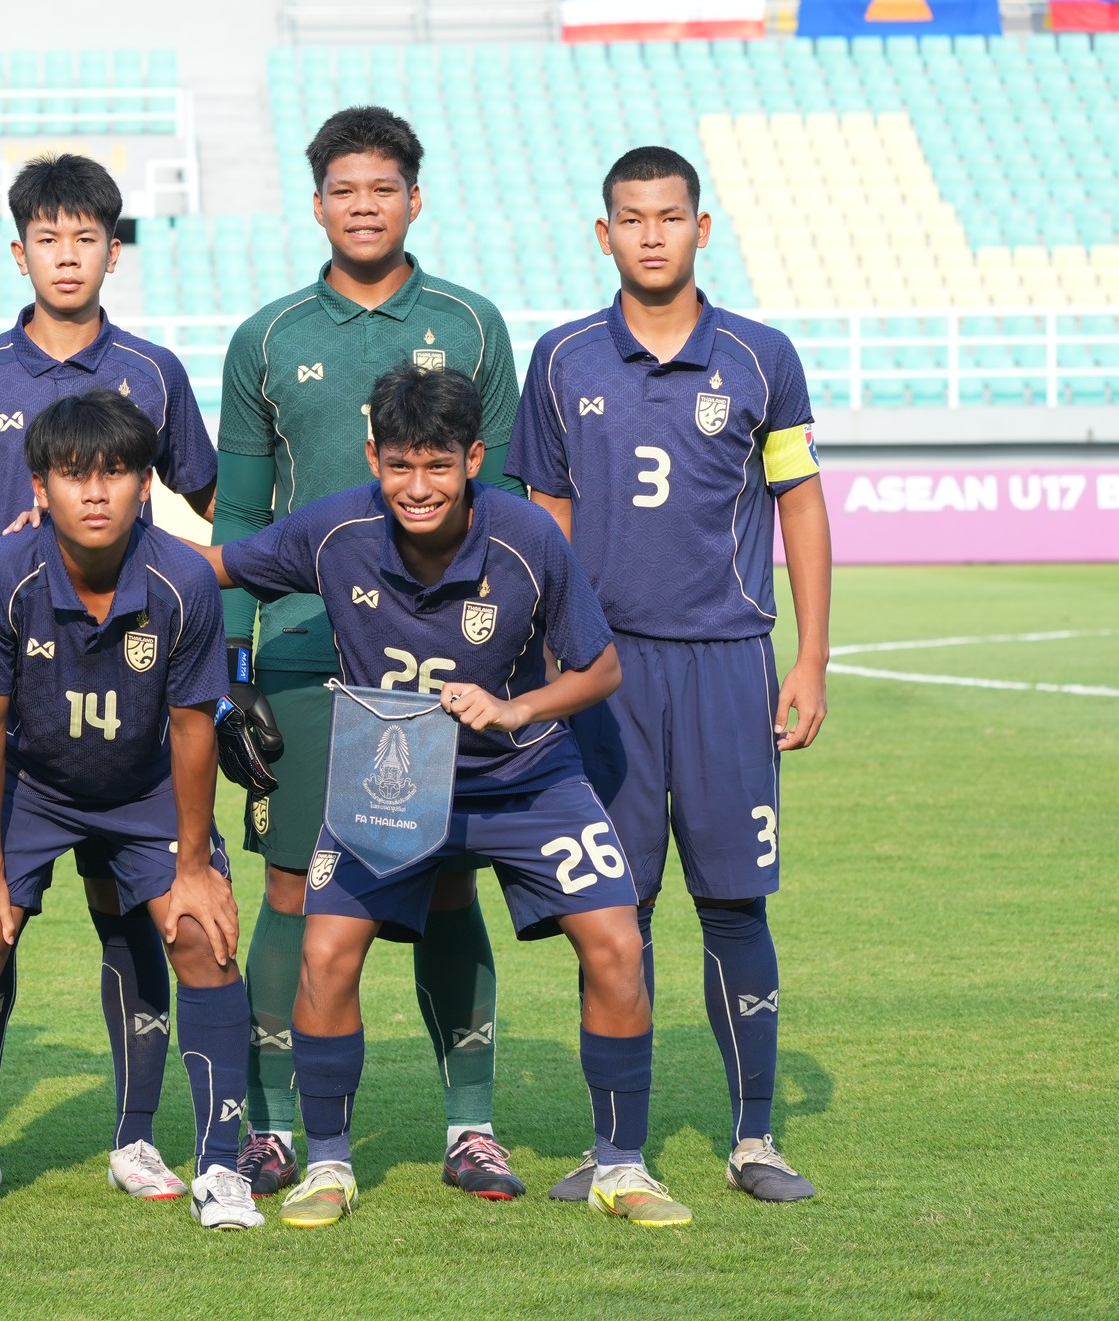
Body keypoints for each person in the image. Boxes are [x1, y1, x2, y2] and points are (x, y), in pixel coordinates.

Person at [198, 366, 691, 1228]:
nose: (417, 487)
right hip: (390, 778)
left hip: (523, 777)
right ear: (373, 459)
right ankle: (328, 1164)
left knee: (616, 942)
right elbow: (214, 565)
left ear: (473, 459)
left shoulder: (528, 537)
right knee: (325, 953)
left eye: (437, 465)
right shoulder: (335, 530)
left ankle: (621, 1166)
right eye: (399, 465)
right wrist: (80, 541)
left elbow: (601, 667)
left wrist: (515, 708)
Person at [211, 105, 529, 1200]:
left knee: (445, 889)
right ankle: (273, 1128)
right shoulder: (265, 338)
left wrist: (501, 661)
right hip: (307, 655)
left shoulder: (472, 325)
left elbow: (508, 501)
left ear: (414, 199)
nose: (363, 207)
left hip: (442, 661)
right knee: (292, 889)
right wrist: (234, 673)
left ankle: (471, 1128)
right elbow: (239, 519)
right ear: (316, 206)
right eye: (343, 190)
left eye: (382, 188)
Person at [509, 145, 832, 1205]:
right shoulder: (561, 359)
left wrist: (810, 658)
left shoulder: (762, 356)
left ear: (702, 227)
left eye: (670, 216)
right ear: (605, 234)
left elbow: (799, 503)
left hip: (729, 665)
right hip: (606, 676)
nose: (653, 235)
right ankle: (619, 1150)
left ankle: (755, 1141)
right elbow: (546, 520)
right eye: (633, 219)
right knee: (618, 905)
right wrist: (547, 661)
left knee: (735, 902)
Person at [0, 154, 219, 1191]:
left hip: (134, 685)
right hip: (23, 685)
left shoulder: (155, 372)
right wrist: (8, 560)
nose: (68, 255)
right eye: (49, 238)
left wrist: (261, 607)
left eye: (87, 237)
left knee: (132, 915)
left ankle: (136, 1136)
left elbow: (216, 503)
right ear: (20, 252)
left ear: (113, 251)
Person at [0, 391, 258, 1232]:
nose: (96, 492)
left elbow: (193, 730)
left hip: (144, 786)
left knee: (201, 933)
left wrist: (193, 868)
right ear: (40, 486)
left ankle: (220, 1166)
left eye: (116, 473)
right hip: (30, 787)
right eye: (74, 475)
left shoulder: (184, 579)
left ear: (147, 483)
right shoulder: (0, 574)